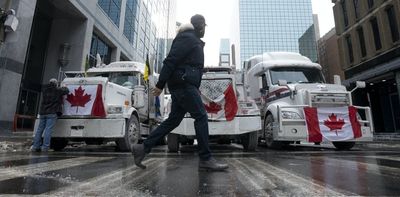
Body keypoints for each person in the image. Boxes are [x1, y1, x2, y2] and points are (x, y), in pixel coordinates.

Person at [132, 14, 229, 171]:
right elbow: (171, 60)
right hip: (184, 85)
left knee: (173, 121)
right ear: (200, 26)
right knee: (201, 116)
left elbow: (186, 63)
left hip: (182, 84)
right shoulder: (188, 37)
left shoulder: (190, 39)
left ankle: (142, 148)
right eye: (204, 26)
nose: (205, 29)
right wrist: (160, 84)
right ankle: (205, 159)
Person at [31, 78, 69, 152]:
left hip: (43, 112)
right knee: (48, 130)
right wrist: (64, 86)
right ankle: (45, 147)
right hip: (52, 112)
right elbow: (66, 91)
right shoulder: (57, 90)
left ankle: (36, 146)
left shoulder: (44, 90)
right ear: (55, 83)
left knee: (39, 130)